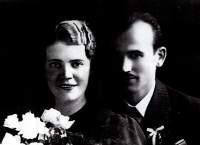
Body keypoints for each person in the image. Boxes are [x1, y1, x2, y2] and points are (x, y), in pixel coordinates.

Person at [34, 20, 146, 144]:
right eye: (55, 64)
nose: (66, 74)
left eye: (76, 64)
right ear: (44, 68)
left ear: (90, 67)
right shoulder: (28, 126)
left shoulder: (114, 128)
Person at [108, 12, 200, 145]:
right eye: (117, 57)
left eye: (135, 55)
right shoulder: (96, 114)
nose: (124, 67)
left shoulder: (194, 113)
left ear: (160, 57)